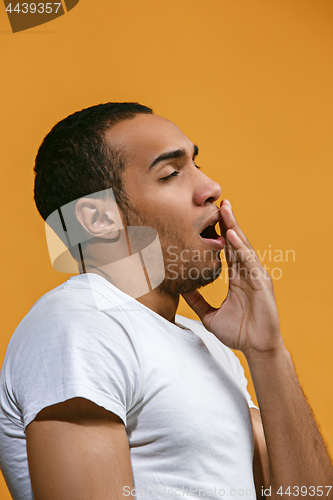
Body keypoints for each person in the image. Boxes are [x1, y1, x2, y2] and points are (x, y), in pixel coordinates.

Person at [0, 102, 332, 500]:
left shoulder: (205, 343)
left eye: (196, 164)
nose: (211, 187)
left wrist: (267, 351)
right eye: (171, 173)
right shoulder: (80, 323)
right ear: (97, 219)